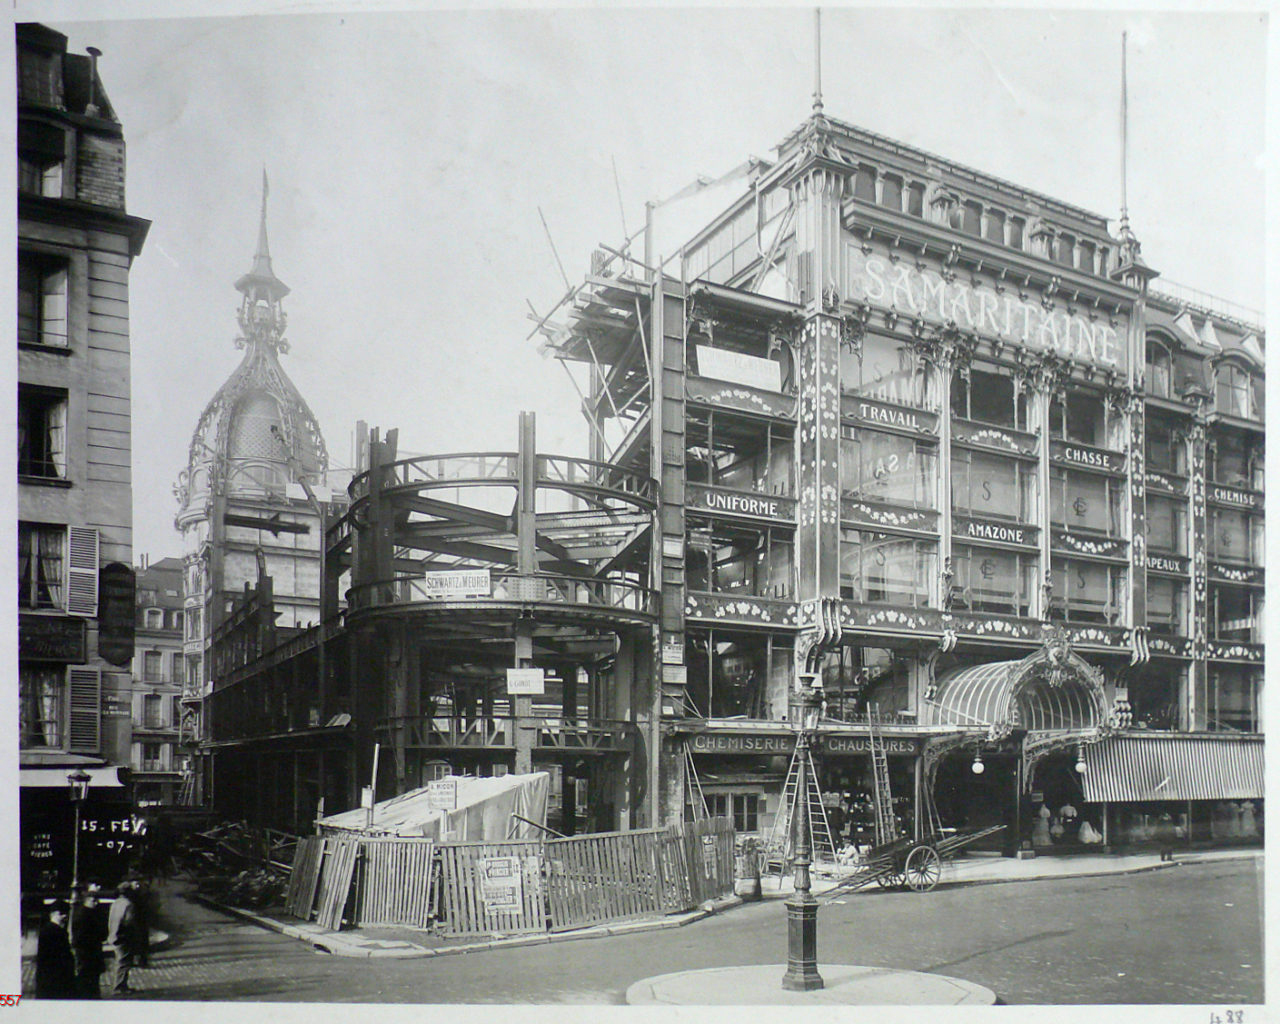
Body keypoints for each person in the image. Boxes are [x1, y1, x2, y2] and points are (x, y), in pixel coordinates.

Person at [72, 885, 108, 998]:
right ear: (86, 901)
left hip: (92, 952)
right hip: (87, 953)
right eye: (93, 900)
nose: (96, 903)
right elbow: (79, 937)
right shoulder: (83, 915)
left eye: (97, 900)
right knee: (87, 978)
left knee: (93, 978)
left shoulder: (92, 912)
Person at [35, 901, 77, 999]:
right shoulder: (56, 931)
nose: (66, 917)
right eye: (64, 914)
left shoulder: (48, 929)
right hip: (56, 977)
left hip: (49, 976)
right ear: (57, 914)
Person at [107, 881, 142, 995]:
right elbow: (129, 922)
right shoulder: (128, 904)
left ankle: (122, 985)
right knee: (124, 962)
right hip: (124, 936)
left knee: (121, 960)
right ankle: (119, 986)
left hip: (114, 935)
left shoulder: (116, 903)